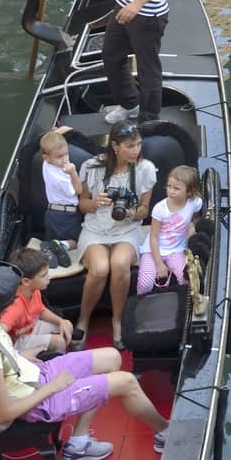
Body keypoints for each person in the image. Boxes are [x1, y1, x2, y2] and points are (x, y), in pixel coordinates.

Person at [0, 264, 167, 460]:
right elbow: (5, 413)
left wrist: (19, 355)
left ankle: (79, 443)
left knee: (112, 357)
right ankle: (165, 431)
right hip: (38, 400)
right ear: (9, 304)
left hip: (33, 373)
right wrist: (52, 388)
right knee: (127, 382)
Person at [72, 122, 158, 347]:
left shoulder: (145, 169)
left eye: (139, 144)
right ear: (115, 146)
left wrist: (130, 212)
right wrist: (95, 203)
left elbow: (145, 210)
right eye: (130, 146)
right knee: (100, 269)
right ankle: (83, 320)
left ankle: (117, 321)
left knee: (120, 264)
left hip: (127, 229)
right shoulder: (91, 167)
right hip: (95, 230)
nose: (136, 150)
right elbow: (81, 205)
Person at [137, 165, 203, 295]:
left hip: (177, 250)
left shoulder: (195, 202)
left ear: (189, 191)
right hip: (153, 250)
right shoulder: (159, 209)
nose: (171, 191)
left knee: (186, 280)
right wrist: (159, 263)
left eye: (176, 188)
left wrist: (192, 227)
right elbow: (153, 238)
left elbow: (196, 217)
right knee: (145, 284)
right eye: (169, 186)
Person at [0, 248, 74, 357]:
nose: (48, 278)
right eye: (43, 275)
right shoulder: (15, 307)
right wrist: (16, 355)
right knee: (59, 342)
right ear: (26, 281)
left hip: (31, 328)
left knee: (67, 325)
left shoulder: (35, 291)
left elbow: (41, 310)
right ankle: (55, 365)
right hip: (16, 342)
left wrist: (60, 321)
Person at [39, 129, 82, 246]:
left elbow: (50, 143)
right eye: (59, 157)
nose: (65, 159)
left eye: (66, 154)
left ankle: (53, 246)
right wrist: (73, 173)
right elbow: (79, 190)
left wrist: (58, 132)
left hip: (52, 214)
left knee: (50, 241)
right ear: (46, 157)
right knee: (78, 242)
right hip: (66, 216)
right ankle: (62, 246)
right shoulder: (61, 178)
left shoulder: (46, 164)